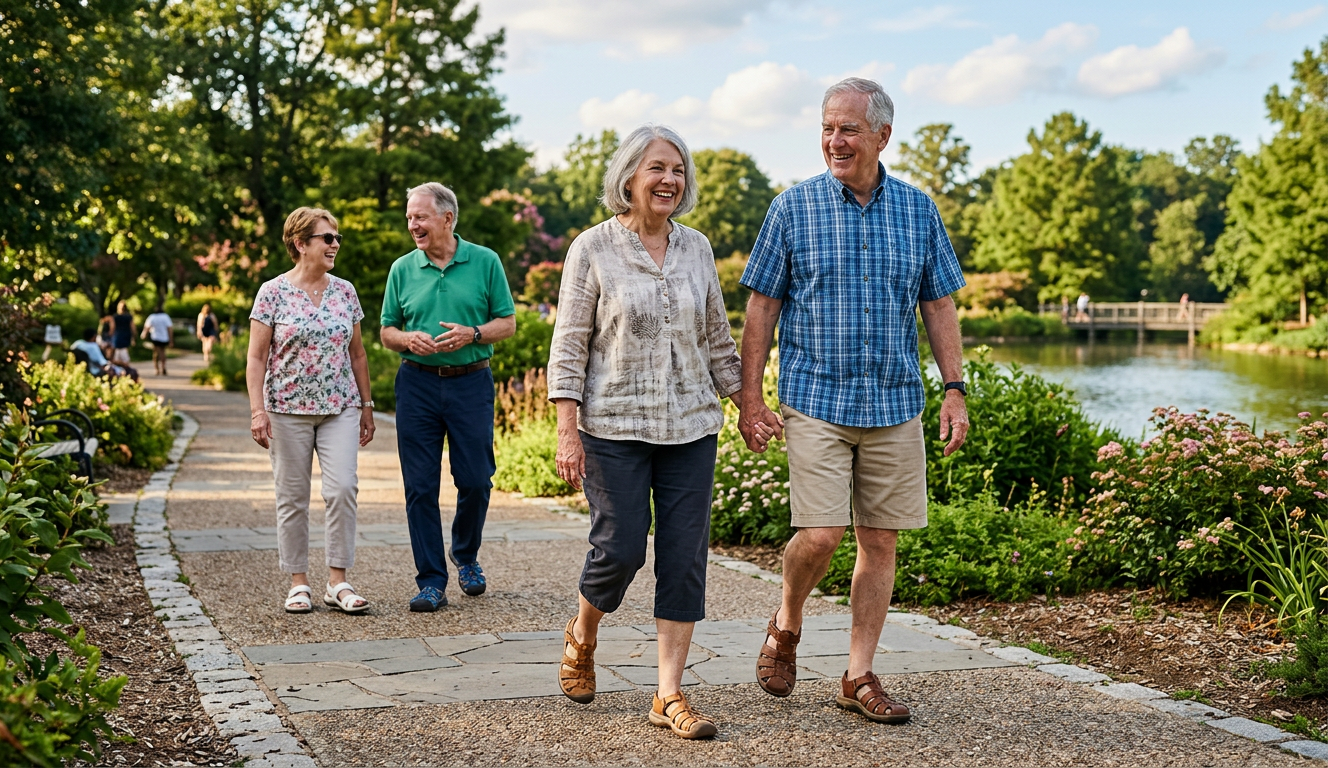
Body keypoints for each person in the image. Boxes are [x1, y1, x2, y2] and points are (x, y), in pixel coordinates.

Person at [737, 78, 969, 725]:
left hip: (894, 402)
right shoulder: (792, 208)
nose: (835, 141)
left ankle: (858, 674)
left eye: (848, 129)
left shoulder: (918, 210)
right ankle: (788, 618)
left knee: (880, 539)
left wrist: (954, 390)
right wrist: (750, 398)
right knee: (821, 534)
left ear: (882, 136)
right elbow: (761, 308)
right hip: (816, 397)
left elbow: (939, 305)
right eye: (827, 128)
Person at [548, 124, 749, 740]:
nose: (669, 180)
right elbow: (570, 343)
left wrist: (748, 403)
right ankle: (583, 633)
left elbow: (717, 338)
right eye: (658, 168)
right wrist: (566, 430)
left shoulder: (697, 248)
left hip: (691, 426)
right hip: (614, 425)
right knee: (621, 548)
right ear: (629, 177)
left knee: (684, 559)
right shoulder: (592, 248)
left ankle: (668, 693)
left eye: (678, 170)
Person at [380, 182, 517, 613]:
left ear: (447, 218)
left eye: (419, 216)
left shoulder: (485, 261)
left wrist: (473, 333)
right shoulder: (402, 268)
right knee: (420, 486)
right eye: (409, 217)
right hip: (416, 384)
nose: (412, 224)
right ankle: (431, 581)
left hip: (470, 383)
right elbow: (386, 331)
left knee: (476, 479)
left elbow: (507, 323)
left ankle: (466, 555)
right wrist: (407, 339)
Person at [248, 207, 377, 615]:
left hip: (340, 407)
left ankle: (338, 581)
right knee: (292, 497)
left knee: (342, 489)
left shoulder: (345, 291)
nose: (335, 244)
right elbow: (256, 357)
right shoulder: (272, 292)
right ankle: (298, 582)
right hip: (286, 409)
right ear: (300, 243)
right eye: (327, 238)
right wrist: (257, 411)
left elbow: (358, 354)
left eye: (337, 238)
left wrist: (367, 406)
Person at [70, 329, 139, 381]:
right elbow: (102, 362)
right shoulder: (93, 346)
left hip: (83, 368)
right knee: (130, 371)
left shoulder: (78, 344)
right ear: (94, 337)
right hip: (95, 370)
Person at [142, 303, 173, 376]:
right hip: (164, 338)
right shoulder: (165, 317)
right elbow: (170, 329)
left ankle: (157, 369)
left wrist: (144, 335)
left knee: (156, 353)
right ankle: (163, 367)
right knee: (163, 352)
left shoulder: (152, 317)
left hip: (155, 337)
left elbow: (147, 327)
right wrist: (171, 340)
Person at [109, 301, 135, 365]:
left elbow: (112, 327)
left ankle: (120, 366)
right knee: (124, 352)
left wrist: (109, 336)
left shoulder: (115, 316)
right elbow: (133, 327)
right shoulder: (128, 316)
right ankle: (125, 365)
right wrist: (134, 336)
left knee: (117, 353)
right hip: (126, 336)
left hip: (117, 337)